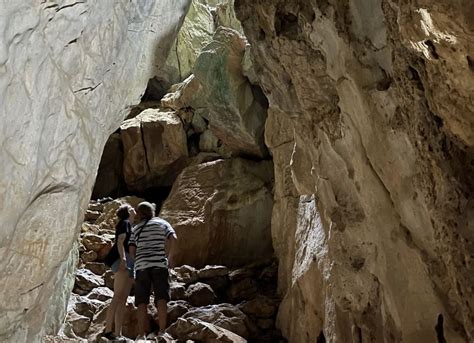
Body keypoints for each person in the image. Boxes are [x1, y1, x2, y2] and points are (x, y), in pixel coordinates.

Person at [128, 201, 177, 338]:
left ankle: (141, 334)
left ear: (140, 214)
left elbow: (132, 250)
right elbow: (174, 238)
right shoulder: (162, 223)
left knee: (142, 301)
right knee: (161, 298)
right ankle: (162, 331)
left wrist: (136, 263)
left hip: (142, 267)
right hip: (159, 265)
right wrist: (171, 256)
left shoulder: (136, 228)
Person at [104, 204, 136, 341]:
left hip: (129, 261)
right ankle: (107, 330)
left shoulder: (129, 225)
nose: (135, 210)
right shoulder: (125, 223)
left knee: (122, 299)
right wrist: (123, 259)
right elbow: (120, 242)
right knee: (118, 296)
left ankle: (118, 333)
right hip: (124, 260)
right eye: (132, 208)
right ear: (128, 212)